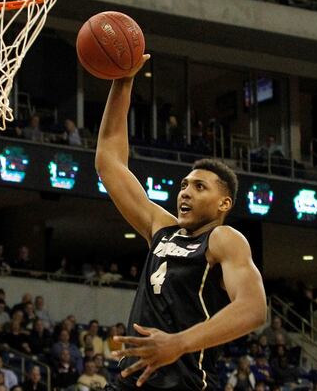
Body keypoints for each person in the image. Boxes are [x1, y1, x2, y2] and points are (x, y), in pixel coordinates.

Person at [96, 54, 266, 389]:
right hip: (131, 382)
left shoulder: (223, 239)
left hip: (185, 383)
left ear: (224, 203)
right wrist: (123, 81)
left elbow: (254, 308)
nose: (186, 192)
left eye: (199, 187)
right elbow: (109, 162)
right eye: (184, 185)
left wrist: (179, 343)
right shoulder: (162, 229)